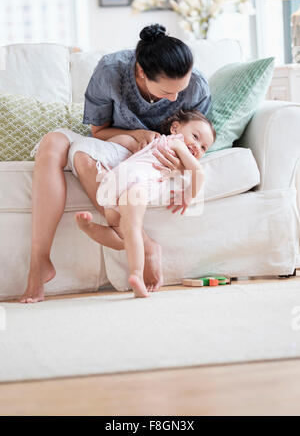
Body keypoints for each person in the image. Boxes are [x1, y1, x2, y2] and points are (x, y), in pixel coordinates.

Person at [20, 23, 211, 303]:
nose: (176, 99)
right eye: (168, 93)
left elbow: (198, 145)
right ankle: (39, 262)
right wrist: (136, 136)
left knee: (83, 159)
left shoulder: (196, 86)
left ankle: (141, 245)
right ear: (142, 73)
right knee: (53, 144)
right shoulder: (111, 71)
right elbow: (99, 132)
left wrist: (178, 164)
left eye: (180, 91)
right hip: (116, 144)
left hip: (151, 162)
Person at [75, 109, 216, 298]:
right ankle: (137, 275)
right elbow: (198, 171)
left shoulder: (154, 142)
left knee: (118, 231)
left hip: (116, 179)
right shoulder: (176, 143)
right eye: (196, 137)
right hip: (138, 182)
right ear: (175, 128)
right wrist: (189, 195)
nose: (197, 146)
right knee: (132, 227)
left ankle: (88, 227)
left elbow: (120, 143)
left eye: (204, 147)